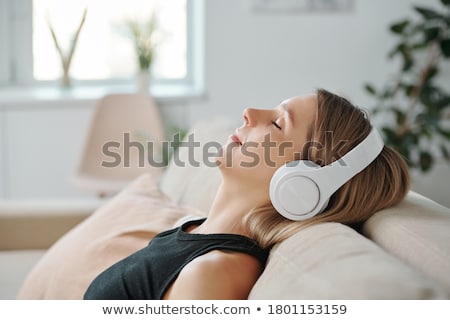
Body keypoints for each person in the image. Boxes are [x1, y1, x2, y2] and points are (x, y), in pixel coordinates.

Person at [83, 88, 410, 300]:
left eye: (278, 124)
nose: (250, 111)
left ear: (302, 185)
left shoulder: (215, 274)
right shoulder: (196, 229)